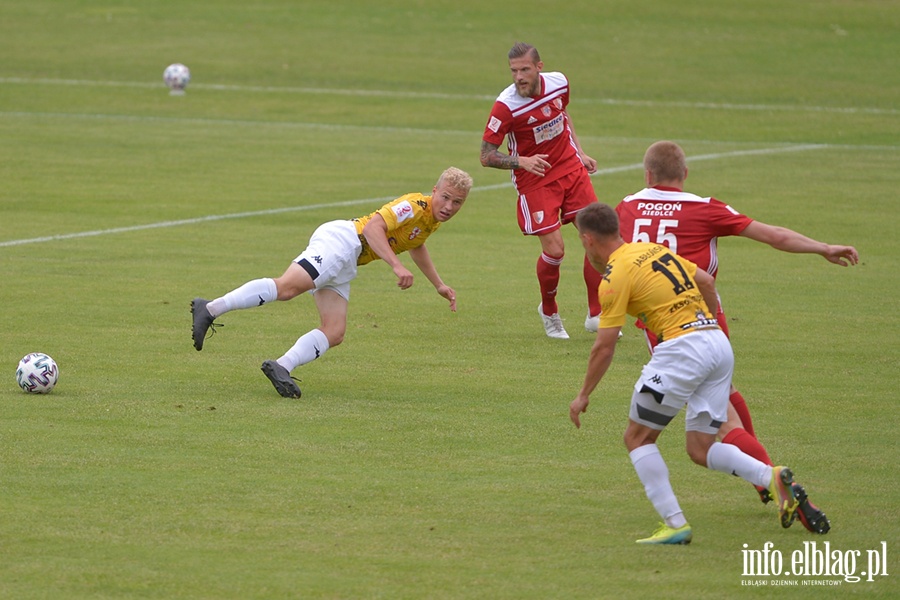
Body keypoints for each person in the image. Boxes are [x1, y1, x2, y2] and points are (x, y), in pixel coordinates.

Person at [616, 140, 858, 533]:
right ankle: (763, 476)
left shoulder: (627, 206)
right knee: (724, 398)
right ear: (685, 174)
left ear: (647, 174)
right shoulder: (704, 206)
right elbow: (774, 235)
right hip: (709, 318)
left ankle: (777, 482)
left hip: (667, 328)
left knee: (717, 426)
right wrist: (822, 247)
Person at [569, 202, 811, 545]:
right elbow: (706, 280)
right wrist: (708, 323)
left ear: (587, 239)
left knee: (637, 439)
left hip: (682, 351)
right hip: (715, 343)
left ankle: (675, 524)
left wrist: (583, 395)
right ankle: (771, 477)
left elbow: (604, 347)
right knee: (700, 449)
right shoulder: (651, 248)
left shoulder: (613, 277)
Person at [190, 167, 473, 398]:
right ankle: (211, 308)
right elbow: (375, 226)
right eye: (445, 197)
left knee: (335, 331)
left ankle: (281, 366)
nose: (449, 206)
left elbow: (417, 245)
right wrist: (396, 266)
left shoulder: (431, 221)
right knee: (287, 288)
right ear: (434, 191)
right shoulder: (414, 206)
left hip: (348, 260)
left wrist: (438, 284)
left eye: (457, 202)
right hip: (343, 242)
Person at [480, 42, 603, 340]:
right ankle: (549, 311)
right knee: (555, 251)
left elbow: (563, 116)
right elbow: (486, 155)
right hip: (535, 181)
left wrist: (581, 153)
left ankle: (596, 313)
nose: (518, 77)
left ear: (539, 66)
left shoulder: (560, 83)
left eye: (524, 69)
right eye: (513, 71)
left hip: (571, 170)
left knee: (597, 239)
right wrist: (520, 161)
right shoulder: (506, 106)